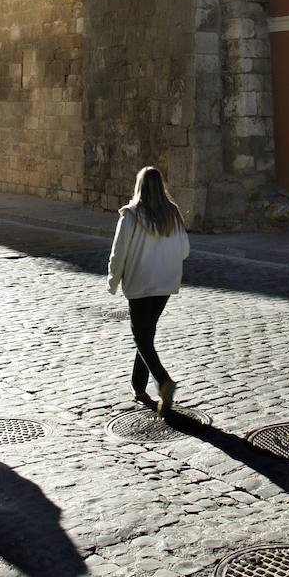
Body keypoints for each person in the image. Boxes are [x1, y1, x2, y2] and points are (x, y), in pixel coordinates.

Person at [107, 165, 190, 415]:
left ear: (139, 186)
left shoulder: (130, 215)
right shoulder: (173, 213)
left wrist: (112, 281)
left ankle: (163, 382)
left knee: (141, 337)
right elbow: (184, 250)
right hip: (164, 285)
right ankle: (138, 385)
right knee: (146, 335)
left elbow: (118, 252)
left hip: (140, 283)